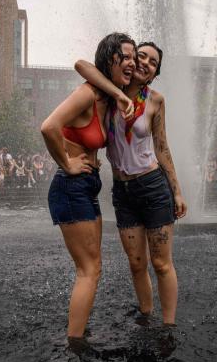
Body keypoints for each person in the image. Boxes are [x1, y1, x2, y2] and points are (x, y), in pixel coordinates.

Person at [75, 39, 187, 327]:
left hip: (152, 186)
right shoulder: (108, 93)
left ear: (154, 73)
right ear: (131, 60)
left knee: (161, 263)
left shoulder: (156, 100)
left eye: (153, 63)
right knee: (137, 264)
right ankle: (146, 315)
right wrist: (118, 93)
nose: (145, 63)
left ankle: (169, 326)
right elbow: (82, 65)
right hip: (123, 191)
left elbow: (162, 148)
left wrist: (177, 191)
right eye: (141, 56)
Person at [41, 32, 137, 340]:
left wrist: (122, 95)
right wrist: (66, 163)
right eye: (127, 57)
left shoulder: (108, 97)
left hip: (86, 185)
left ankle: (78, 335)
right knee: (89, 270)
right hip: (71, 184)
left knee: (93, 268)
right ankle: (74, 346)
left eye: (135, 57)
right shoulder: (87, 95)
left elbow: (88, 67)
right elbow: (48, 127)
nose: (133, 63)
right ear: (110, 60)